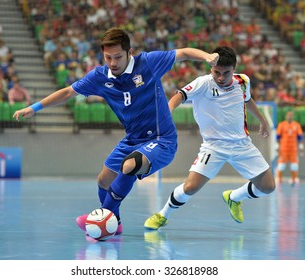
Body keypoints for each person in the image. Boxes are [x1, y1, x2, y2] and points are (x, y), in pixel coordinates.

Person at [12, 27, 219, 236]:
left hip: (162, 140)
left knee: (130, 165)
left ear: (129, 52)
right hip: (131, 140)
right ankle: (115, 223)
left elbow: (182, 53)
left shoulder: (147, 63)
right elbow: (68, 92)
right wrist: (34, 107)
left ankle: (104, 214)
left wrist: (206, 56)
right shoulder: (100, 77)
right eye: (108, 57)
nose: (113, 62)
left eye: (118, 57)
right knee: (103, 180)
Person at [144, 46, 276, 230]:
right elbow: (178, 96)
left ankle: (233, 198)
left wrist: (262, 120)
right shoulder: (203, 83)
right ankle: (162, 215)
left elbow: (247, 100)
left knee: (268, 187)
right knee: (190, 187)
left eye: (226, 73)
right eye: (217, 73)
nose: (221, 78)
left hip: (242, 145)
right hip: (213, 147)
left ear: (235, 68)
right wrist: (169, 113)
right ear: (211, 69)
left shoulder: (243, 81)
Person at [275, 110, 304, 186]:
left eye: (291, 115)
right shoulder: (281, 125)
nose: (290, 117)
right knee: (281, 166)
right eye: (288, 115)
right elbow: (278, 136)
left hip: (293, 149)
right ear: (286, 116)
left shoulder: (296, 125)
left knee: (294, 165)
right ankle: (279, 179)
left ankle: (294, 179)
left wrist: (301, 146)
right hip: (283, 149)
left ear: (293, 116)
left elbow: (300, 136)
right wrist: (277, 146)